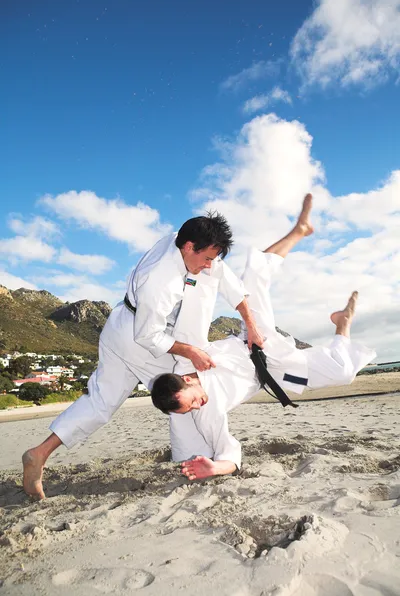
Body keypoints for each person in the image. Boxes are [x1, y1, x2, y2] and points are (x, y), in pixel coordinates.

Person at [23, 212, 264, 500]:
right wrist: (191, 351)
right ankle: (193, 459)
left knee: (100, 402)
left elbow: (229, 282)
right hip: (140, 339)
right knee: (186, 383)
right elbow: (148, 336)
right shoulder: (159, 280)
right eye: (207, 258)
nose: (210, 264)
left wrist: (251, 326)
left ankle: (39, 453)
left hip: (119, 326)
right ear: (189, 247)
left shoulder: (189, 242)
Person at [151, 195, 376, 480]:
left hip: (256, 341)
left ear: (186, 380)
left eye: (192, 401)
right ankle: (342, 323)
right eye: (189, 409)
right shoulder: (208, 412)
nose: (197, 407)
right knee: (343, 373)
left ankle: (299, 231)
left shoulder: (188, 357)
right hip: (275, 374)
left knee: (253, 281)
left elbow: (192, 306)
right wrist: (215, 467)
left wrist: (203, 275)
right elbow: (229, 452)